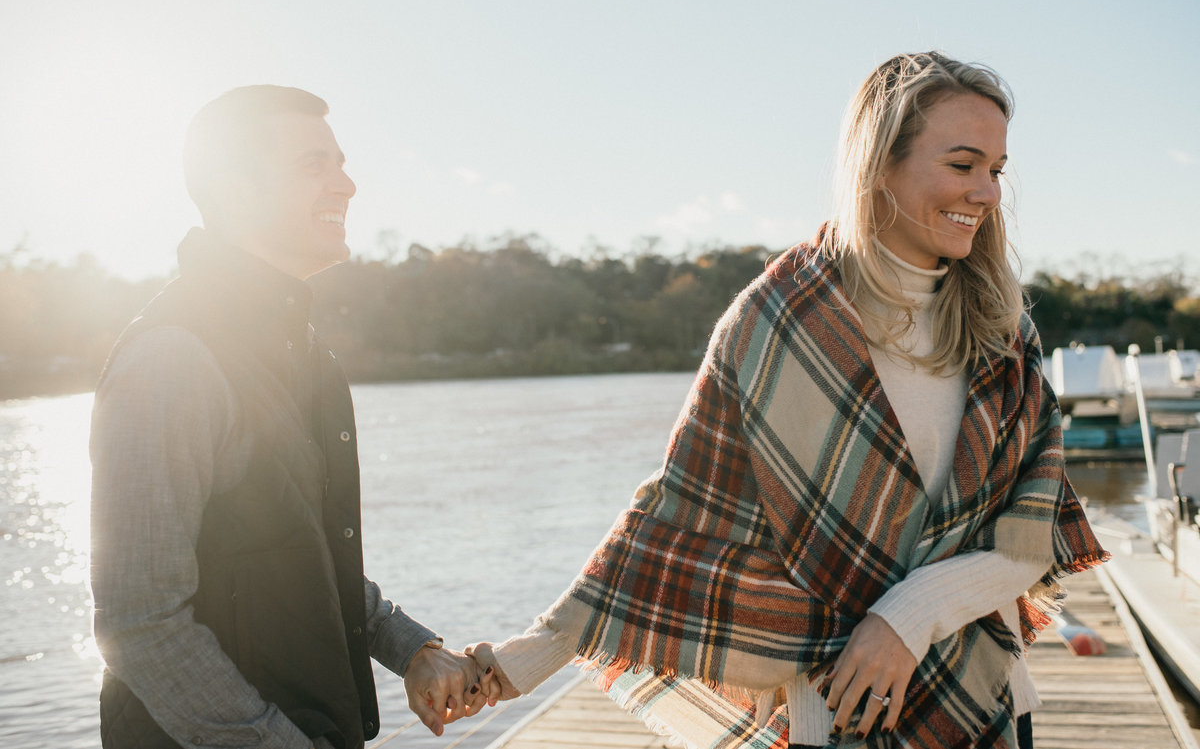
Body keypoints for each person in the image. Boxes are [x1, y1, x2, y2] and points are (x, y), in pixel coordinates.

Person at [467, 52, 1109, 749]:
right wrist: (512, 666)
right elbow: (676, 515)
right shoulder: (779, 321)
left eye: (997, 169)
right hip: (828, 713)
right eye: (963, 165)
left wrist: (905, 616)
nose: (986, 193)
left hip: (983, 701)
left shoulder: (1004, 331)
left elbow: (1026, 536)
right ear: (879, 165)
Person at [90, 85, 490, 749]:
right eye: (315, 165)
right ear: (234, 187)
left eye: (341, 161)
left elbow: (304, 555)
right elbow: (141, 622)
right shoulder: (171, 359)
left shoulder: (303, 353)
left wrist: (414, 649)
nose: (348, 185)